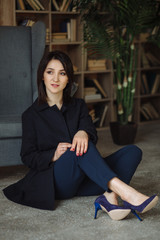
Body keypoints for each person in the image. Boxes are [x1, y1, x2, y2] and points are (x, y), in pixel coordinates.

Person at [3, 50, 158, 221]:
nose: (55, 79)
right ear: (42, 76)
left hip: (86, 181)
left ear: (68, 78)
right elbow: (27, 156)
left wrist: (84, 132)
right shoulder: (31, 115)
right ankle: (127, 193)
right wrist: (53, 155)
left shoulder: (78, 105)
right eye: (50, 72)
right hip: (58, 182)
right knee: (77, 149)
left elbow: (90, 131)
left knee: (133, 152)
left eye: (62, 73)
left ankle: (108, 196)